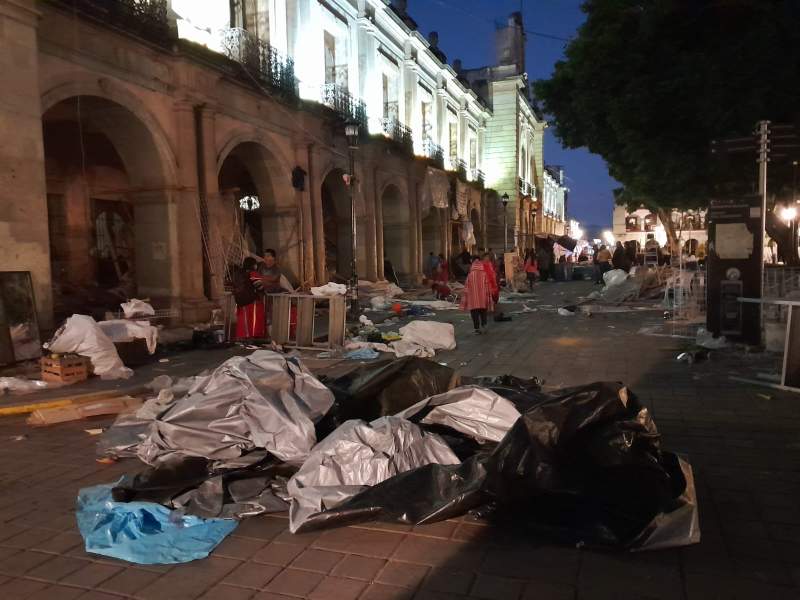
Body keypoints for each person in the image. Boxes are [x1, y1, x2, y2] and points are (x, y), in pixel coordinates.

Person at [460, 256, 494, 334]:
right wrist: (489, 297)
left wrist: (464, 300)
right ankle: (484, 325)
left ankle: (477, 329)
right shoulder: (484, 274)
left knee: (474, 314)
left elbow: (466, 288)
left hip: (473, 299)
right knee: (483, 312)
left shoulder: (470, 275)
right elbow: (487, 286)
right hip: (482, 298)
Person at [234, 257, 265, 339]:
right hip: (251, 300)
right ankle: (253, 336)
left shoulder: (237, 273)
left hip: (240, 300)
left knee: (242, 320)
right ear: (253, 265)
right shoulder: (253, 273)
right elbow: (260, 286)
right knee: (253, 319)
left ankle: (242, 337)